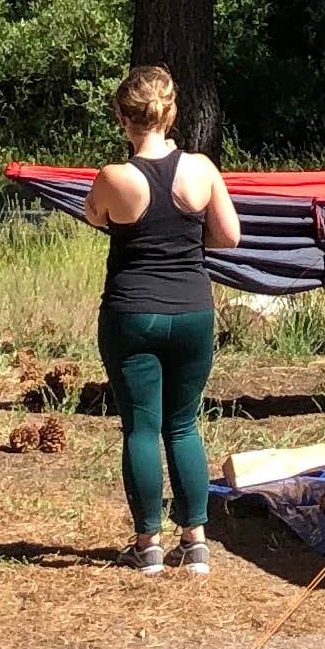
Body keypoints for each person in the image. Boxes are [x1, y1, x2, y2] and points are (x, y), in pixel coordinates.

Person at [86, 66, 240, 573]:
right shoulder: (201, 170)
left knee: (141, 428)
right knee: (183, 424)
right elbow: (228, 237)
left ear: (120, 118)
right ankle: (195, 541)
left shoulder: (114, 177)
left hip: (132, 313)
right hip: (193, 311)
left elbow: (95, 217)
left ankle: (147, 543)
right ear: (171, 113)